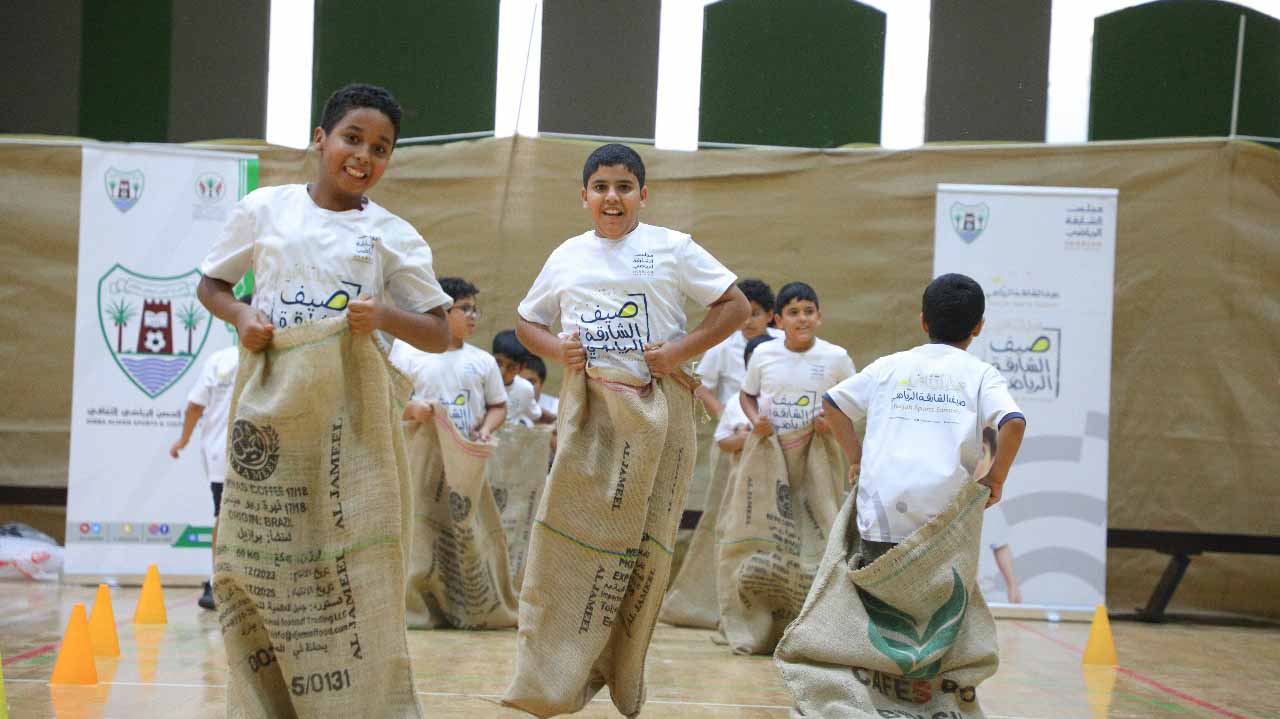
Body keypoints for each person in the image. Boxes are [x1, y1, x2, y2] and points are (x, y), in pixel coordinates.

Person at [505, 143, 748, 717]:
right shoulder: (566, 255)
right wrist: (555, 349)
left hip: (659, 414)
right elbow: (525, 321)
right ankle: (552, 676)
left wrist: (680, 352)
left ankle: (624, 672)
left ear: (643, 194)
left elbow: (733, 306)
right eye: (601, 187)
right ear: (584, 197)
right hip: (589, 414)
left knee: (643, 550)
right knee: (570, 539)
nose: (612, 198)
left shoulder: (671, 248)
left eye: (624, 187)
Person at [197, 83, 451, 352]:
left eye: (379, 149)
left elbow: (439, 335)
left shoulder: (396, 235)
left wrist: (384, 316)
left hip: (352, 391)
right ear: (320, 138)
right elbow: (211, 284)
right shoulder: (264, 207)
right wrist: (240, 314)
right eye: (352, 139)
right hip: (272, 389)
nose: (363, 156)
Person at [822, 273, 1027, 566]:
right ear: (979, 326)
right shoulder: (982, 375)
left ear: (923, 321)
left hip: (882, 515)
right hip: (945, 519)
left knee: (877, 603)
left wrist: (857, 459)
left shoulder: (888, 367)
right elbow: (1014, 423)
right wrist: (996, 478)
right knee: (939, 607)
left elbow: (833, 404)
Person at [169, 330, 242, 610]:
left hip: (221, 452)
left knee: (223, 515)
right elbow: (194, 406)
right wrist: (183, 440)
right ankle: (223, 583)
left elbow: (194, 407)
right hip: (245, 452)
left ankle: (218, 583)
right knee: (228, 516)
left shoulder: (220, 360)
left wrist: (183, 440)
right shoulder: (259, 358)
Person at [740, 281, 856, 438]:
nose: (802, 318)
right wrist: (756, 421)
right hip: (772, 445)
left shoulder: (837, 357)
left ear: (818, 317)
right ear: (779, 320)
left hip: (819, 446)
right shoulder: (762, 353)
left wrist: (832, 424)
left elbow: (854, 400)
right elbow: (747, 394)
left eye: (809, 311)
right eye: (793, 312)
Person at [398, 278, 507, 441]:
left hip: (466, 455)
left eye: (475, 309)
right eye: (465, 308)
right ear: (442, 310)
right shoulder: (406, 352)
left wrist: (486, 429)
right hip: (420, 454)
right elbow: (388, 405)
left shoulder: (484, 360)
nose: (473, 315)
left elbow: (499, 406)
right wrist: (412, 409)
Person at [695, 278, 781, 419]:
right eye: (744, 315)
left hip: (777, 419)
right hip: (738, 422)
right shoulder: (722, 345)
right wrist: (719, 410)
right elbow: (699, 385)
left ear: (770, 315)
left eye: (755, 314)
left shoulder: (783, 341)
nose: (747, 322)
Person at [714, 334, 776, 454]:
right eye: (754, 364)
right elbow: (722, 441)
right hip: (747, 468)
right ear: (746, 367)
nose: (760, 369)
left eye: (767, 363)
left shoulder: (790, 395)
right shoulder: (736, 401)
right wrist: (742, 438)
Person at [493, 329, 543, 427]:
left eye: (511, 367)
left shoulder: (526, 389)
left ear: (521, 368)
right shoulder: (480, 382)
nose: (502, 372)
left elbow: (536, 414)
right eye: (498, 363)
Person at [519, 354, 558, 424]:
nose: (525, 387)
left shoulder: (557, 408)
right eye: (520, 381)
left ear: (541, 385)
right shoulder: (503, 404)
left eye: (531, 382)